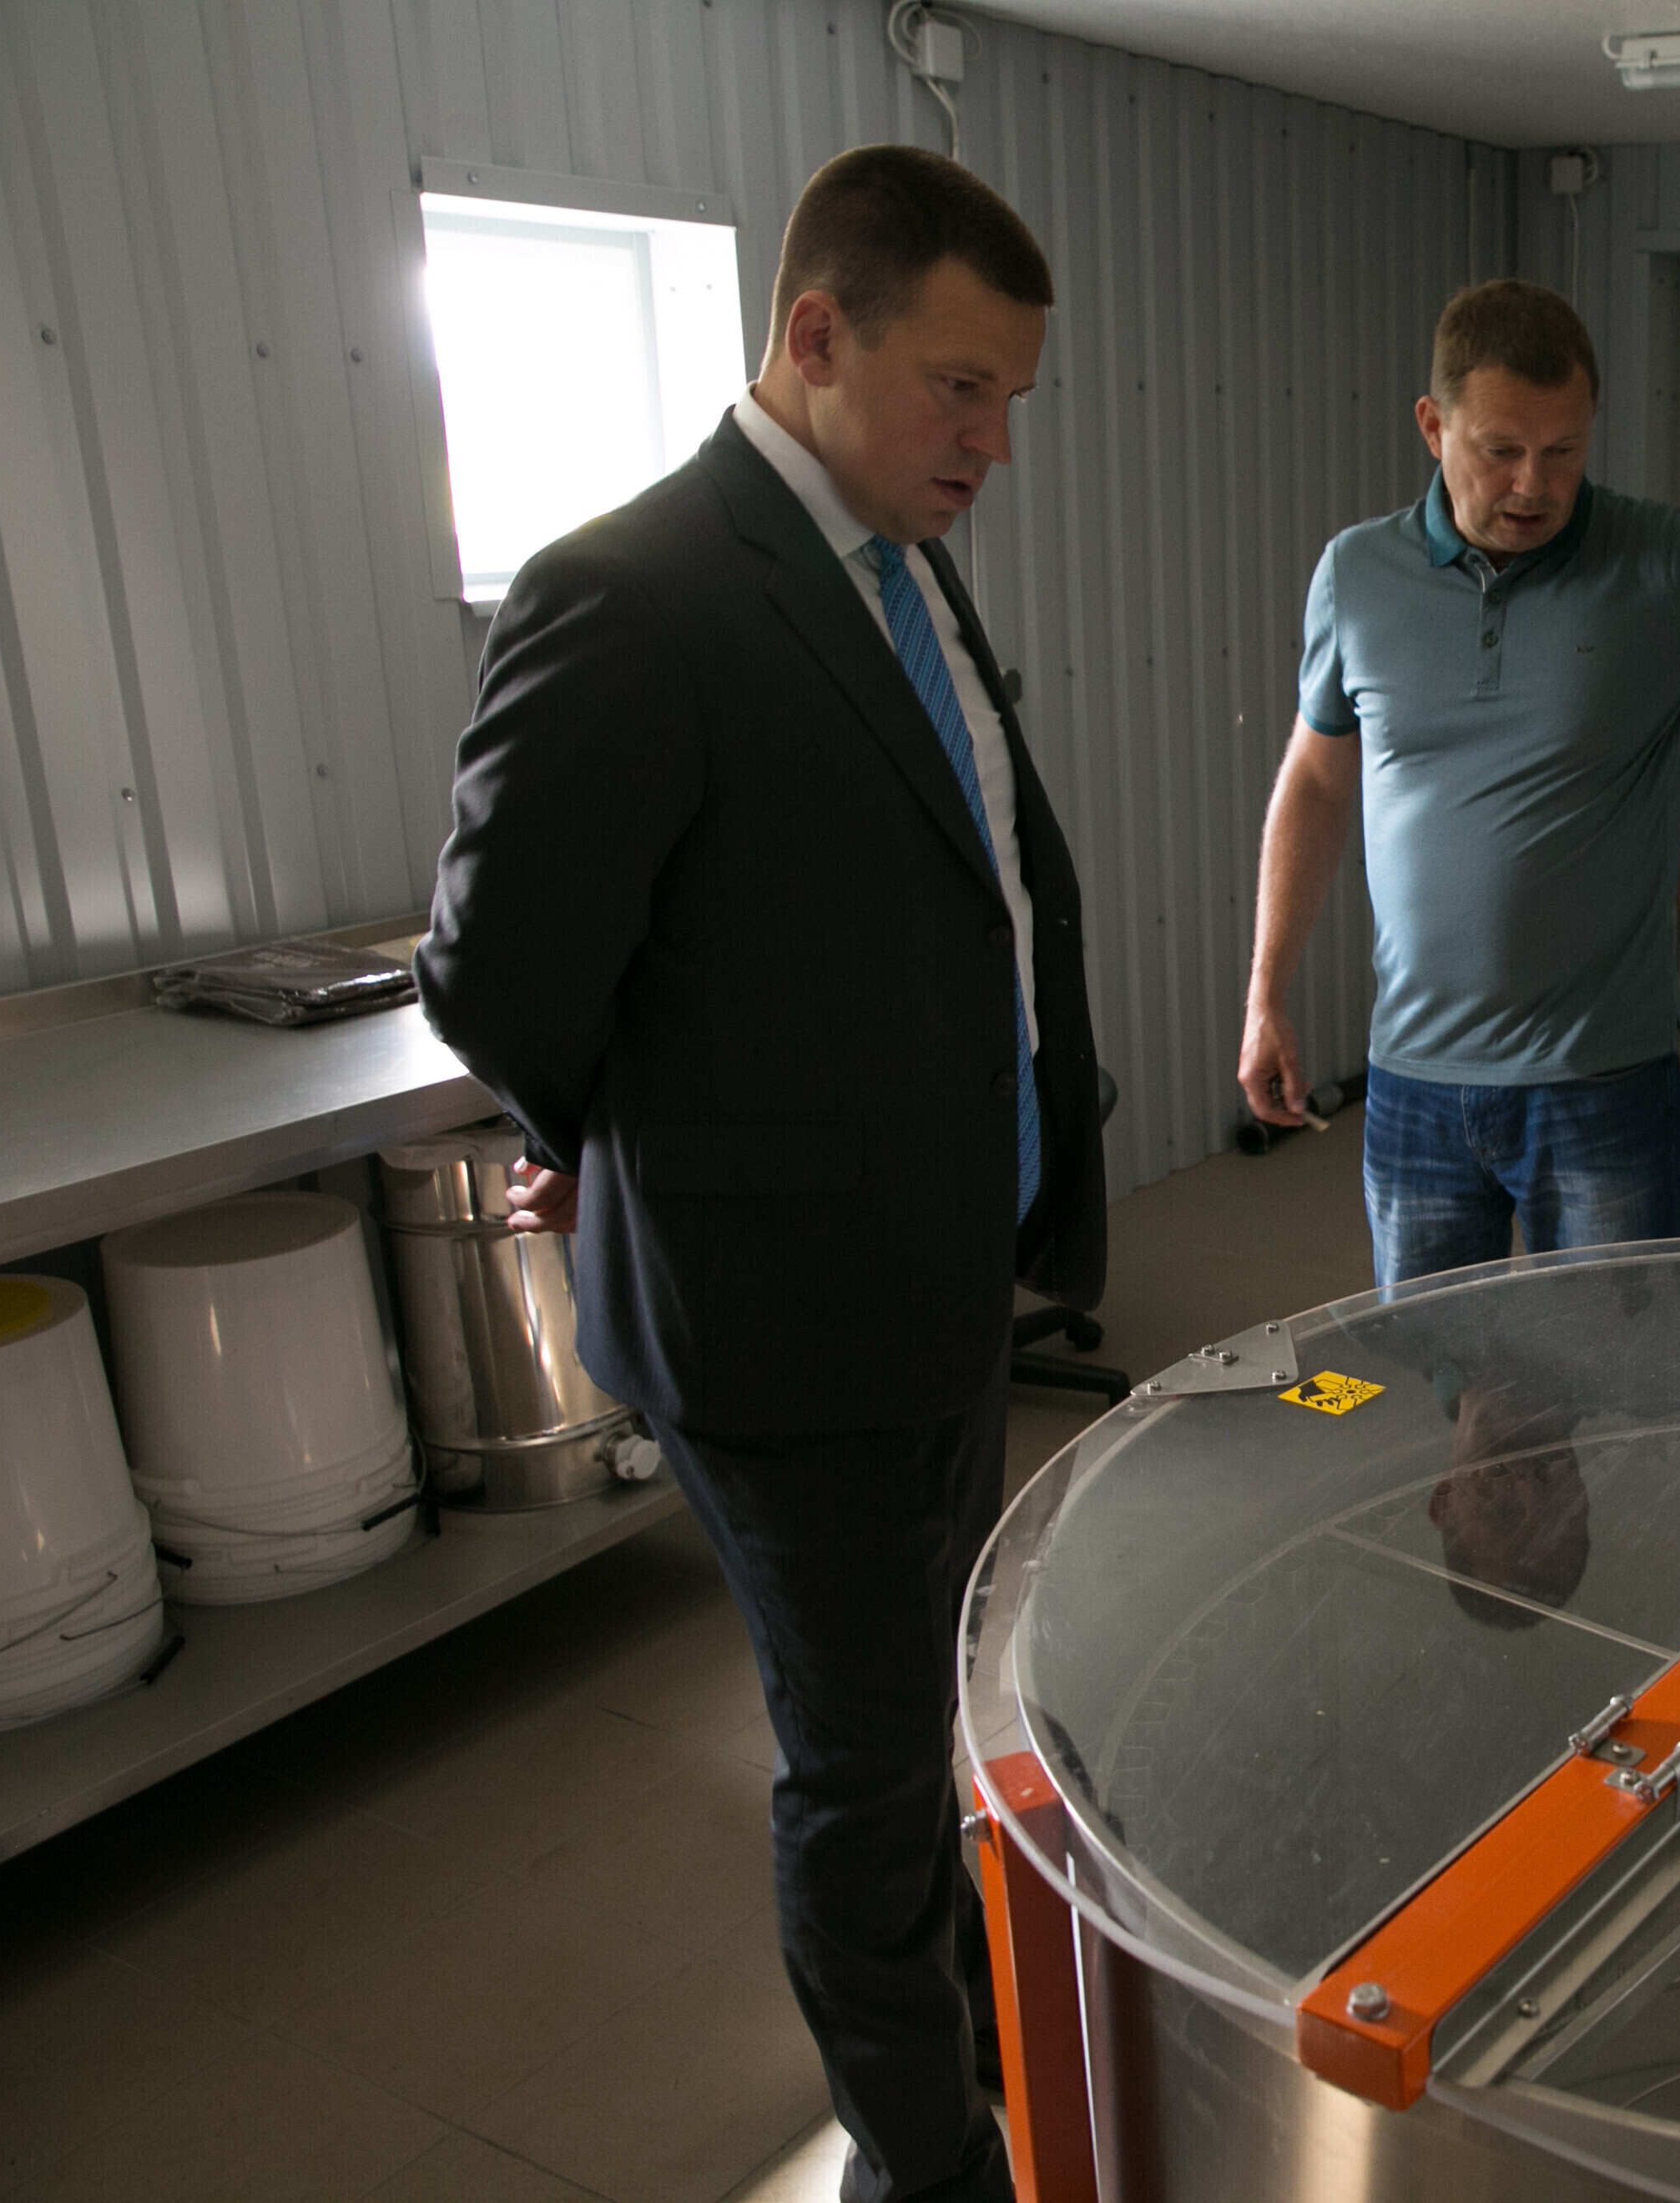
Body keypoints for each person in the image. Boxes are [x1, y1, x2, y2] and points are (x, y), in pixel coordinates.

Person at [415, 145, 1103, 2203]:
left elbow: (954, 881)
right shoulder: (630, 595)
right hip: (780, 1319)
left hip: (942, 1276)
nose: (990, 443)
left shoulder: (898, 554)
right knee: (863, 1763)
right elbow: (497, 975)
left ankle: (981, 2060)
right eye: (959, 388)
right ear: (816, 333)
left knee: (934, 1716)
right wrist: (632, 1153)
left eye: (1009, 401)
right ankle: (922, 2167)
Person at [1240, 279, 1680, 1287]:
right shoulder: (1357, 575)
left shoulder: (1667, 565)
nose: (1534, 484)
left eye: (1564, 450)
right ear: (1433, 427)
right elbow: (1314, 780)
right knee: (1430, 1368)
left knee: (1622, 1367)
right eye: (1501, 450)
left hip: (1599, 1085)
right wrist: (1266, 992)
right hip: (1414, 1085)